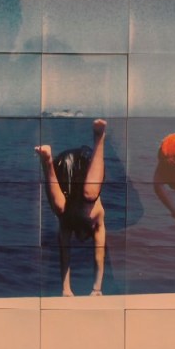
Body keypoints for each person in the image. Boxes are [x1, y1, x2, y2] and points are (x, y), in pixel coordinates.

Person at [35, 119, 108, 296]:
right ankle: (99, 138)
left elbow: (65, 255)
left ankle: (47, 161)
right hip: (85, 161)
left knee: (61, 209)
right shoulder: (98, 220)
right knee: (89, 195)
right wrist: (96, 288)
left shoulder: (67, 225)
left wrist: (66, 289)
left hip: (63, 165)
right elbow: (99, 255)